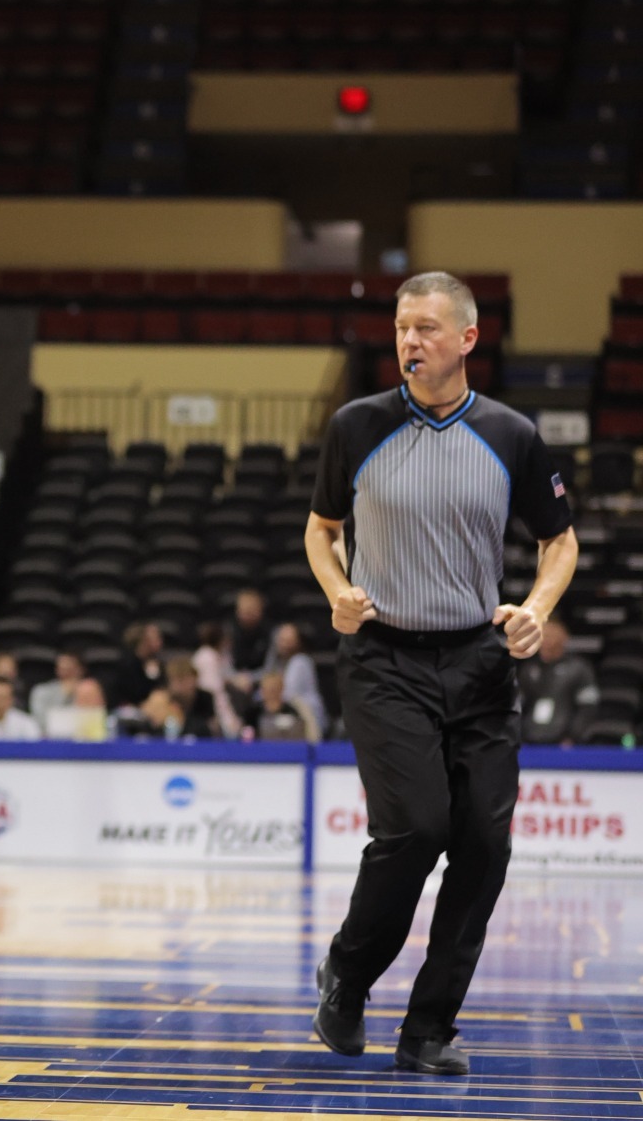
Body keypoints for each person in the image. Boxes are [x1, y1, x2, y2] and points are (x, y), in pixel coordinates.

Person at [305, 271, 578, 1076]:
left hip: (480, 662)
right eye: (400, 328)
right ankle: (348, 977)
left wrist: (535, 607)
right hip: (384, 660)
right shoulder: (355, 426)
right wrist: (337, 592)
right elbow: (321, 531)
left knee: (484, 846)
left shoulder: (512, 434)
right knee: (417, 827)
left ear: (467, 339)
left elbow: (558, 539)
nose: (409, 342)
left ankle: (428, 1026)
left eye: (426, 328)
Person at [518, 618, 597, 745]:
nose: (545, 641)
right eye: (541, 636)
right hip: (530, 737)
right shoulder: (529, 669)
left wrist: (573, 737)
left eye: (549, 636)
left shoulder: (579, 668)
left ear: (563, 639)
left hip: (563, 740)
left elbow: (587, 706)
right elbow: (518, 704)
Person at [265, 622, 327, 732]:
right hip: (292, 713)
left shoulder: (300, 661)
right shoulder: (276, 661)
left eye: (289, 640)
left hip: (309, 717)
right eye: (282, 640)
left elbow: (288, 693)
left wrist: (264, 697)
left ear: (298, 642)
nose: (285, 644)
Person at [190, 621, 245, 736]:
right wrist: (230, 721)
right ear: (222, 640)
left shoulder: (219, 656)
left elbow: (227, 677)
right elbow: (215, 693)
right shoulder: (207, 658)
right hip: (205, 711)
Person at [110, 621, 165, 709]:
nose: (160, 641)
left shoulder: (158, 662)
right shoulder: (126, 664)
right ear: (144, 641)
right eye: (156, 638)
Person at [250, 673, 319, 742]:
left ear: (282, 688)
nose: (271, 692)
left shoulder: (292, 711)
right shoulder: (254, 713)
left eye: (274, 689)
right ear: (262, 690)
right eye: (267, 689)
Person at [164, 657, 219, 738]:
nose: (190, 683)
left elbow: (212, 727)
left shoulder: (205, 697)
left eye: (193, 677)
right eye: (182, 680)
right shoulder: (164, 699)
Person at [27, 651, 84, 729]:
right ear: (57, 669)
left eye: (70, 670)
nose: (67, 674)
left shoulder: (90, 691)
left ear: (80, 670)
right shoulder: (42, 691)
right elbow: (39, 722)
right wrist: (64, 695)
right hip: (49, 738)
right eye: (63, 669)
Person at [44, 677, 110, 742]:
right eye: (84, 698)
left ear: (102, 700)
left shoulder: (112, 723)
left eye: (92, 697)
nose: (88, 703)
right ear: (76, 701)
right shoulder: (61, 722)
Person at [228, 588, 270, 678]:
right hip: (233, 680)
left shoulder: (270, 633)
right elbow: (224, 664)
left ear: (260, 610)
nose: (248, 614)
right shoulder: (228, 631)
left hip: (261, 681)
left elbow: (270, 667)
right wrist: (236, 678)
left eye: (251, 610)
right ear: (237, 610)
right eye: (245, 610)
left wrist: (250, 678)